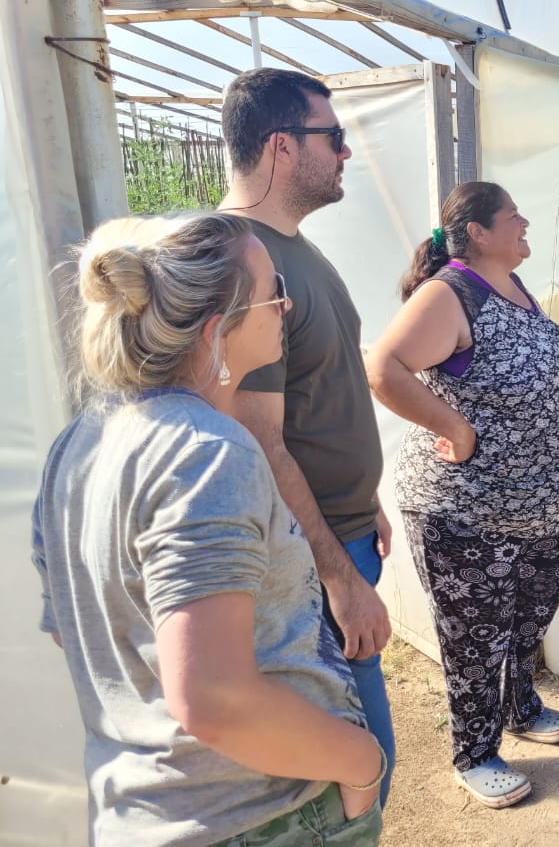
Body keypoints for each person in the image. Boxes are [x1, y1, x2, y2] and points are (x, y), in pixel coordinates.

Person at [31, 213, 384, 846]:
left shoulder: (75, 446)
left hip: (139, 813)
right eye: (272, 289)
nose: (287, 304)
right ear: (218, 331)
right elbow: (214, 700)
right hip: (260, 815)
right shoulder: (207, 450)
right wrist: (361, 764)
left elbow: (84, 634)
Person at [365, 181, 559, 809]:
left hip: (535, 510)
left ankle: (519, 707)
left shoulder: (512, 287)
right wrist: (454, 428)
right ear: (478, 233)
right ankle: (474, 752)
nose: (525, 224)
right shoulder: (451, 293)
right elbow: (383, 367)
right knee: (475, 638)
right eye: (513, 217)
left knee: (528, 620)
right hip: (465, 510)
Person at [218, 68, 395, 805]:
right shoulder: (243, 261)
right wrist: (339, 579)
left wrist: (367, 500)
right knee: (361, 770)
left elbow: (319, 392)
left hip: (342, 531)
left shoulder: (294, 247)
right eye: (335, 136)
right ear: (283, 147)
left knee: (361, 759)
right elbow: (259, 440)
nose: (348, 151)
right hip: (309, 560)